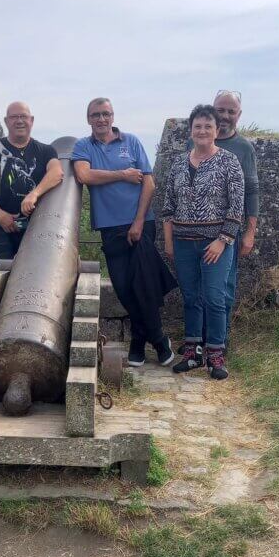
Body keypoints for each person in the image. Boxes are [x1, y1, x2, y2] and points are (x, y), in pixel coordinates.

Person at [72, 97, 175, 367]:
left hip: (140, 222)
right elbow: (84, 176)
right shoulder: (84, 146)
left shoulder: (131, 142)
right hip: (110, 227)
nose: (101, 119)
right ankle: (158, 338)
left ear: (113, 116)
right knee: (123, 288)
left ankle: (139, 345)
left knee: (144, 284)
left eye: (106, 114)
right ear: (88, 119)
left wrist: (139, 221)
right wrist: (122, 174)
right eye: (96, 115)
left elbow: (149, 184)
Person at [162, 104, 244, 381]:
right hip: (184, 242)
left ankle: (216, 355)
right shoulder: (178, 164)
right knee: (191, 298)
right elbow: (168, 207)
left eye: (208, 126)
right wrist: (170, 243)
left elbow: (236, 208)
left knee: (214, 298)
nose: (202, 131)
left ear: (216, 130)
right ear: (191, 130)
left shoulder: (229, 162)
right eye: (198, 126)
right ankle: (193, 352)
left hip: (215, 244)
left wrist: (222, 241)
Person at [0, 101, 63, 265]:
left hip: (36, 227)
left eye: (23, 116)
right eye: (14, 117)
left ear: (32, 120)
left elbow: (56, 172)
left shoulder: (45, 150)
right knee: (1, 268)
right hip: (0, 226)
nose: (19, 121)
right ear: (6, 121)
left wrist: (34, 194)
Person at [207, 90, 260, 345]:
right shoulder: (197, 141)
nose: (225, 116)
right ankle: (201, 339)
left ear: (239, 115)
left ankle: (220, 341)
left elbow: (252, 190)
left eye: (231, 111)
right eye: (221, 110)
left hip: (228, 230)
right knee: (200, 288)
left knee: (224, 288)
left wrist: (249, 233)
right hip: (197, 229)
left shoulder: (243, 148)